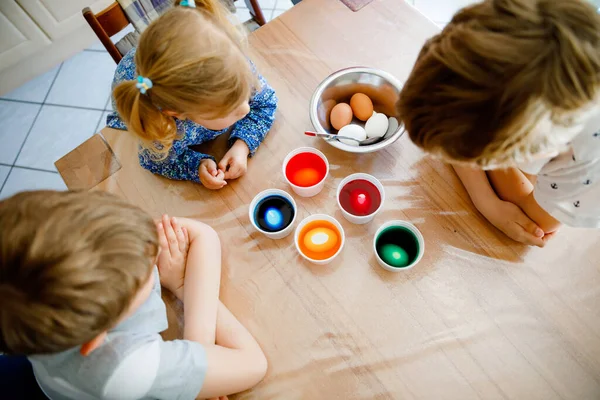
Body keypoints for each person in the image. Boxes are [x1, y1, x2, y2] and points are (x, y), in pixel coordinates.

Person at [0, 190, 267, 399]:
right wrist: (184, 286)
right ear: (97, 339)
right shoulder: (127, 369)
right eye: (145, 272)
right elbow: (253, 365)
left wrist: (200, 360)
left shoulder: (92, 243)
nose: (152, 253)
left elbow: (201, 234)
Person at [397, 0, 600, 247]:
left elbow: (534, 223)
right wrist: (484, 195)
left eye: (478, 160)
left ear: (544, 150)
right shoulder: (512, 24)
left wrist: (483, 195)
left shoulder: (586, 156)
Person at [109, 0, 278, 190]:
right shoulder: (162, 126)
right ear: (178, 114)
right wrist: (196, 167)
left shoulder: (228, 65)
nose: (246, 108)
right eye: (228, 109)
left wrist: (242, 145)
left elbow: (265, 102)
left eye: (244, 92)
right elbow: (157, 161)